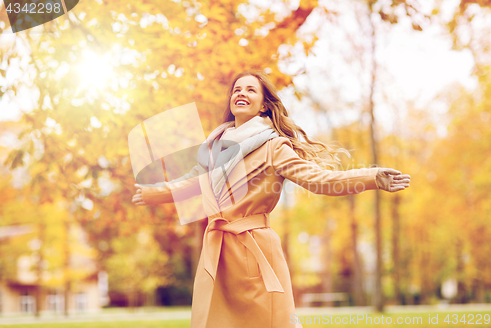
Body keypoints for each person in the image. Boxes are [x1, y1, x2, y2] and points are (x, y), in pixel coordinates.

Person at [132, 69, 411, 328]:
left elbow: (319, 180)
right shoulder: (214, 146)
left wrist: (372, 177)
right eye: (237, 89)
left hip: (254, 251)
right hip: (217, 252)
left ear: (264, 104)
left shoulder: (274, 146)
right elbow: (193, 181)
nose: (241, 93)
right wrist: (153, 192)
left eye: (251, 90)